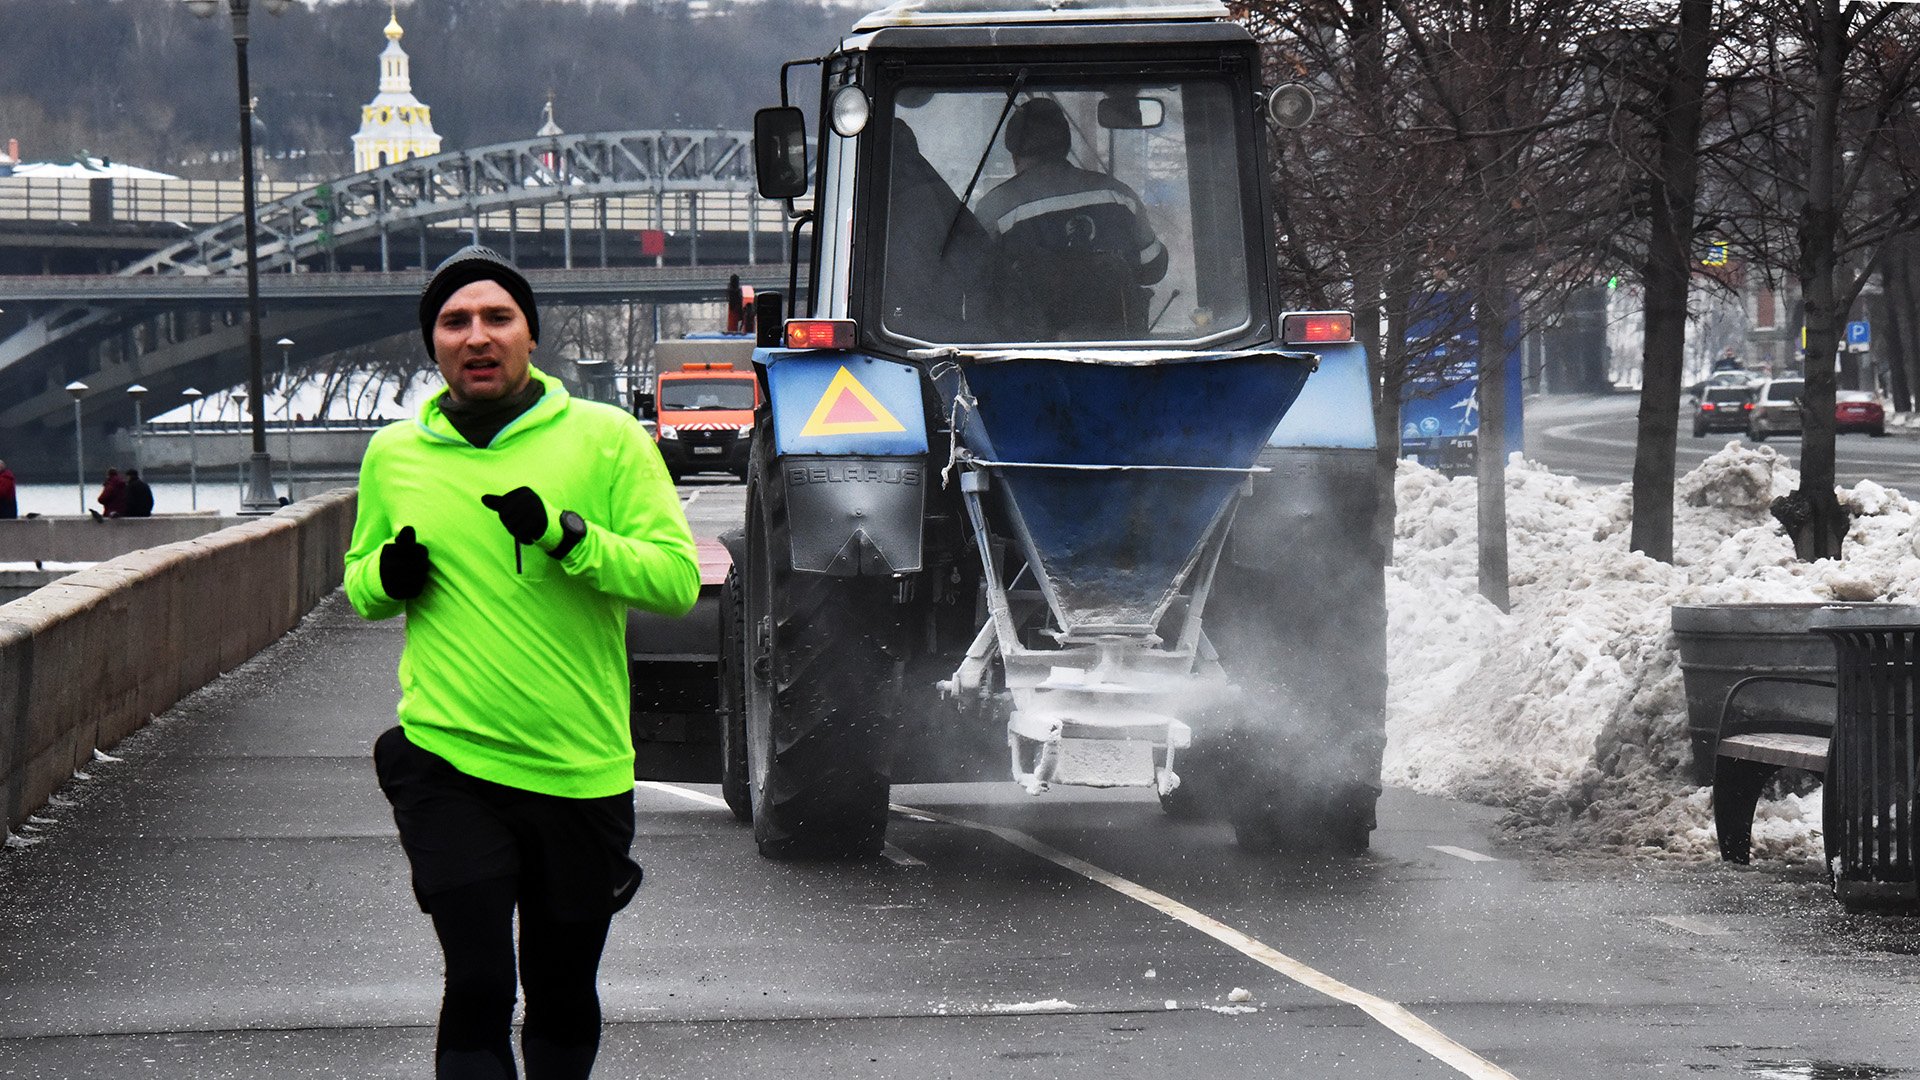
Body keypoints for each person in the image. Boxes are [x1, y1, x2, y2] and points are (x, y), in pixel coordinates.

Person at [344, 245, 700, 1080]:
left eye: (497, 318)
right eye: (454, 321)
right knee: (476, 980)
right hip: (448, 760)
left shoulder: (607, 440)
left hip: (580, 767)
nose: (477, 336)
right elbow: (360, 587)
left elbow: (677, 579)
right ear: (431, 344)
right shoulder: (396, 456)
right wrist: (386, 577)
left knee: (562, 984)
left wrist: (568, 538)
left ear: (530, 336)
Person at [972, 97, 1168, 339]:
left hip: (1030, 362)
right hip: (1120, 355)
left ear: (1015, 154)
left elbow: (976, 291)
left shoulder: (995, 209)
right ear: (1064, 146)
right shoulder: (1119, 196)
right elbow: (1153, 268)